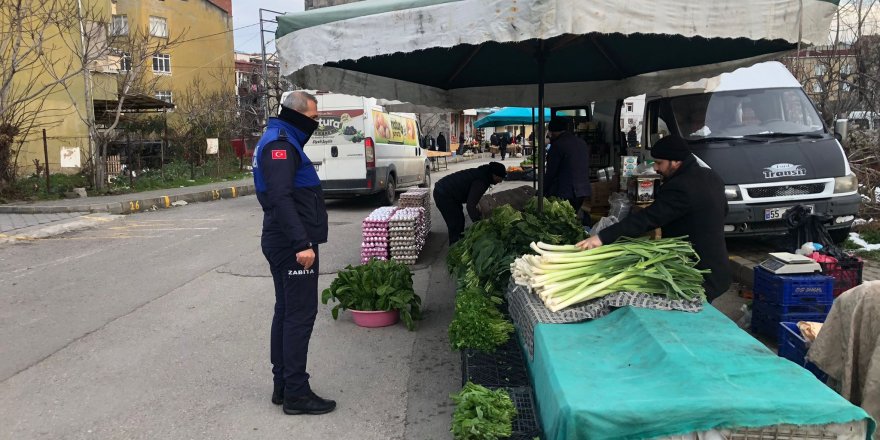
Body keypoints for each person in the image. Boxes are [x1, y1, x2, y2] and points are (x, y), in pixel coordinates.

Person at [253, 91, 335, 415]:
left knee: (287, 311)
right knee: (299, 315)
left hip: (284, 239)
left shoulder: (281, 139)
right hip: (291, 243)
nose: (315, 123)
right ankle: (297, 394)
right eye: (313, 118)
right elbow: (281, 197)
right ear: (298, 114)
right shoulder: (281, 144)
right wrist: (302, 244)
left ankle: (284, 386)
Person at [576, 135, 731, 302]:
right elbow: (724, 211)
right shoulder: (710, 176)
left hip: (698, 271)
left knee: (697, 316)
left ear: (676, 161)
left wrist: (602, 237)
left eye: (659, 163)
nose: (655, 168)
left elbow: (647, 219)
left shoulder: (681, 186)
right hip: (717, 265)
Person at [433, 162, 506, 244]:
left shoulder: (482, 174)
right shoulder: (481, 181)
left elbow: (473, 199)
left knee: (459, 220)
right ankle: (454, 248)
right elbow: (470, 206)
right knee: (455, 224)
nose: (500, 181)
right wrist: (479, 224)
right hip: (443, 194)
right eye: (500, 178)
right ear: (494, 175)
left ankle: (457, 243)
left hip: (449, 193)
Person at [544, 118, 591, 223]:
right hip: (583, 191)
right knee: (571, 219)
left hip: (566, 192)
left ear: (552, 131)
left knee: (561, 222)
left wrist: (541, 193)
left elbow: (551, 173)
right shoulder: (581, 142)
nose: (550, 135)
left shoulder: (557, 145)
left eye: (550, 132)